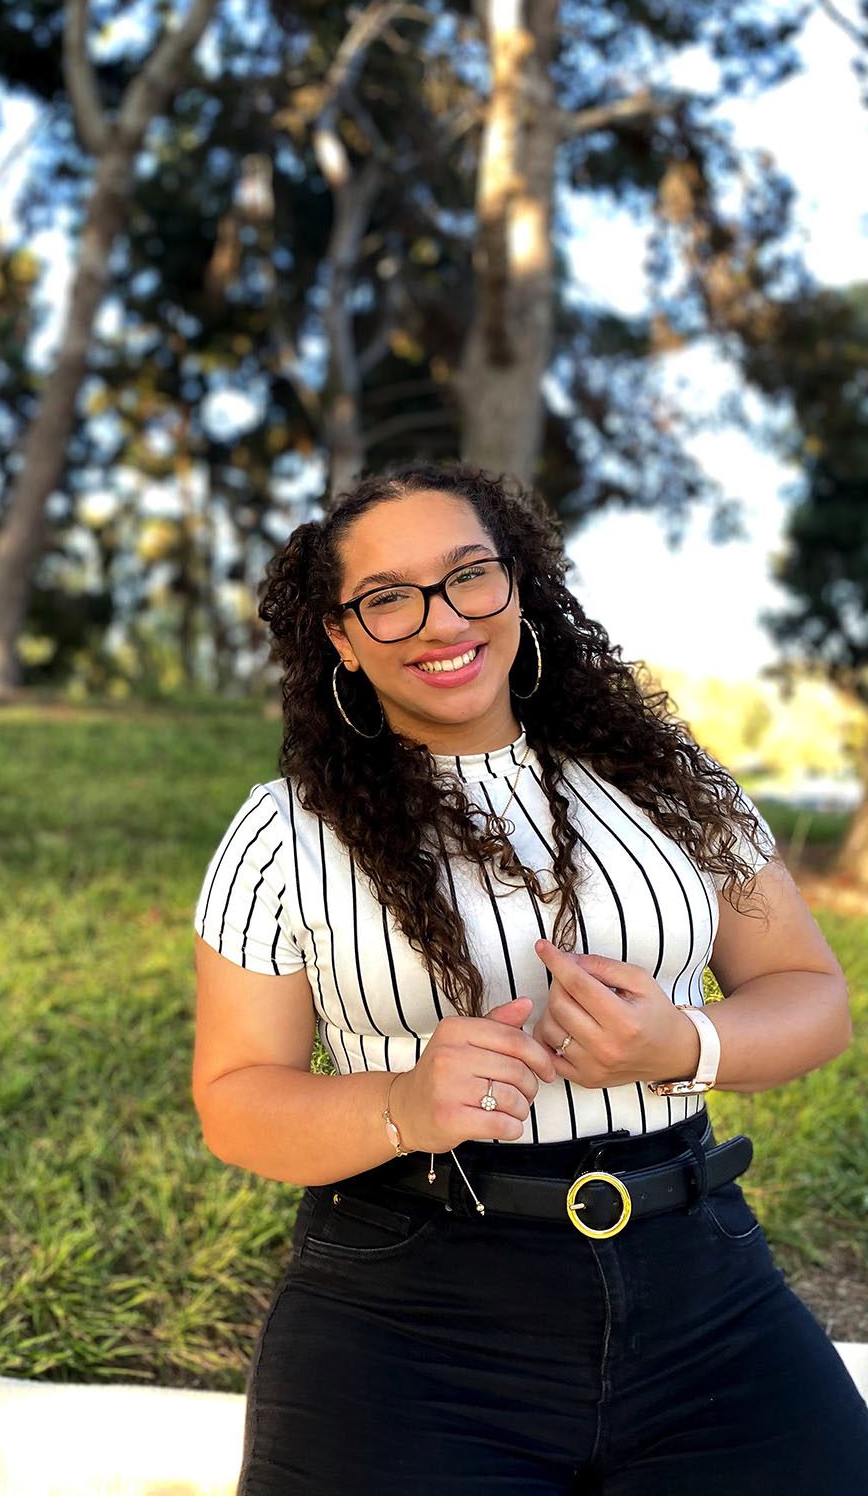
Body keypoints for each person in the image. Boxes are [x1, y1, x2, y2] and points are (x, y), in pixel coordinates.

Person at [190, 462, 868, 1495]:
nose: (439, 619)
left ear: (518, 584)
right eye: (386, 597)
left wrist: (687, 1044)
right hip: (409, 1303)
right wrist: (402, 1102)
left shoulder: (667, 780)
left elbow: (813, 997)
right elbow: (236, 1098)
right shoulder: (283, 833)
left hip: (699, 1284)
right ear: (340, 636)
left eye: (469, 575)